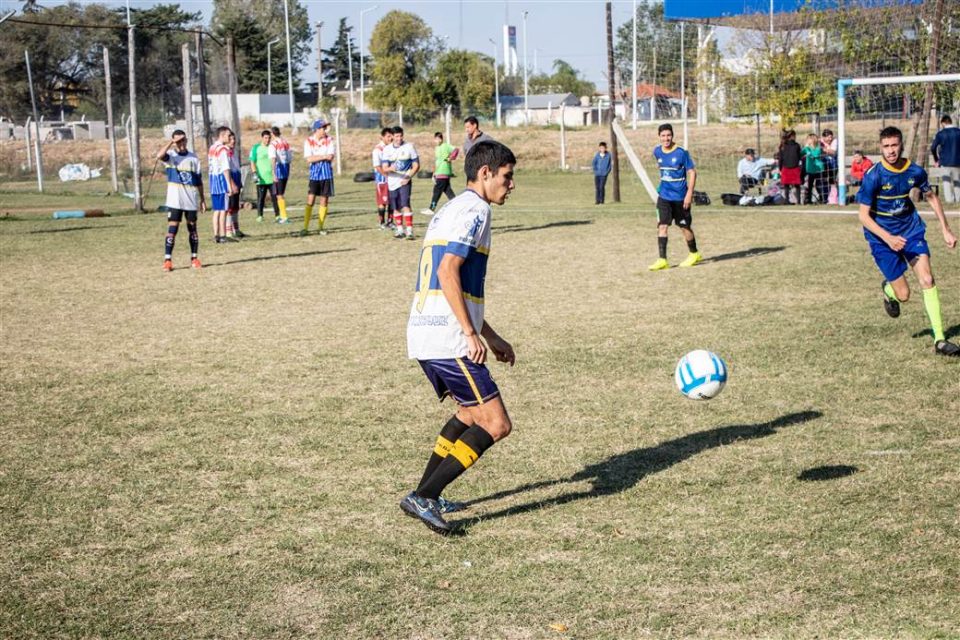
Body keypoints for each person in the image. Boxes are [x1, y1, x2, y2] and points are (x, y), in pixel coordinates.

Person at [401, 140, 518, 535]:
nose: (511, 185)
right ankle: (425, 497)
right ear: (485, 173)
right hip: (449, 338)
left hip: (425, 331)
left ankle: (426, 493)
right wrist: (470, 333)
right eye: (507, 176)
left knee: (469, 414)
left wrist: (492, 335)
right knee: (496, 423)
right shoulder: (476, 210)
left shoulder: (450, 209)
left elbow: (455, 285)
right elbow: (448, 272)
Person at [856, 126, 959, 357]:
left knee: (927, 279)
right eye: (886, 147)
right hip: (881, 238)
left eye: (894, 145)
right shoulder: (874, 175)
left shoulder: (914, 171)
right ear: (880, 148)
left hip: (911, 231)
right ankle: (889, 291)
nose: (891, 151)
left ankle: (940, 340)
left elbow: (931, 197)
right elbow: (863, 216)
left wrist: (946, 229)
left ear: (901, 145)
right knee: (904, 295)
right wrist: (889, 238)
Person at [648, 123, 702, 271]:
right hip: (664, 197)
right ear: (659, 137)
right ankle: (662, 259)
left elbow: (692, 172)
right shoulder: (657, 151)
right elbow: (662, 169)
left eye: (668, 135)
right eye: (663, 136)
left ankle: (694, 253)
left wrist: (689, 193)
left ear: (672, 136)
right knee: (662, 226)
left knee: (684, 227)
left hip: (680, 198)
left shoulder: (681, 153)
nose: (666, 138)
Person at [158, 129, 205, 271]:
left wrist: (202, 199)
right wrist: (171, 142)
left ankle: (194, 258)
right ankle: (167, 260)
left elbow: (199, 181)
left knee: (192, 229)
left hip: (190, 199)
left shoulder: (194, 158)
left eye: (183, 140)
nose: (181, 144)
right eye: (178, 141)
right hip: (175, 200)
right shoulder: (171, 156)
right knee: (173, 228)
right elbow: (159, 155)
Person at [381, 125, 420, 240]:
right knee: (396, 207)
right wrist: (390, 169)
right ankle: (399, 230)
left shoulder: (409, 147)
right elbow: (384, 167)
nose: (399, 138)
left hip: (404, 180)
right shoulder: (387, 150)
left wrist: (408, 177)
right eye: (397, 136)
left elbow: (416, 165)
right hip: (392, 182)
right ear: (392, 136)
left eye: (401, 136)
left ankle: (409, 231)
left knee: (405, 204)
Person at [301, 118, 336, 236]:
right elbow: (309, 159)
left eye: (325, 127)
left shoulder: (329, 140)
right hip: (314, 174)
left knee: (324, 200)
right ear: (317, 129)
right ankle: (305, 227)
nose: (325, 130)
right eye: (323, 128)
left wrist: (319, 156)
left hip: (326, 174)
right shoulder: (308, 141)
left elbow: (330, 156)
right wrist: (323, 156)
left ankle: (320, 227)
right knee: (310, 199)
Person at [207, 126, 237, 244]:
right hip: (221, 180)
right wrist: (229, 185)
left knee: (217, 210)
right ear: (222, 135)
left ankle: (216, 235)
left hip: (213, 181)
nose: (230, 138)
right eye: (228, 135)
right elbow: (225, 168)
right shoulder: (223, 149)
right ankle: (223, 236)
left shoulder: (212, 147)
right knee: (223, 210)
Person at [420, 132, 458, 215]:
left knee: (436, 191)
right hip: (439, 172)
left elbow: (456, 150)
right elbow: (438, 161)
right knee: (448, 191)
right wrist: (434, 172)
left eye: (439, 138)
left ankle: (432, 208)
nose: (438, 140)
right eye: (436, 138)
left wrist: (450, 158)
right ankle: (457, 206)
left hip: (444, 172)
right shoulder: (437, 148)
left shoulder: (446, 146)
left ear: (442, 139)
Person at [250, 130, 280, 223]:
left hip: (271, 177)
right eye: (266, 138)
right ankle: (260, 215)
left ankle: (277, 215)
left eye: (269, 138)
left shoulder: (272, 147)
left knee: (274, 197)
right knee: (261, 198)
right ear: (262, 138)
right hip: (261, 178)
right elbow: (252, 162)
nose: (267, 140)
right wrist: (255, 173)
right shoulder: (256, 148)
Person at [930, 115, 960, 204]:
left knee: (946, 182)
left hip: (945, 162)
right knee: (957, 182)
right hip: (958, 161)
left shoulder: (941, 134)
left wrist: (936, 159)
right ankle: (958, 200)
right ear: (951, 121)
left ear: (943, 123)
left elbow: (933, 147)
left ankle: (949, 200)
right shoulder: (959, 132)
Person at [269, 126, 292, 223]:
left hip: (278, 169)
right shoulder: (286, 143)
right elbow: (290, 158)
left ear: (272, 134)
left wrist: (273, 173)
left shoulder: (273, 144)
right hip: (286, 168)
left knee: (279, 194)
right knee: (281, 193)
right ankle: (283, 216)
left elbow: (273, 159)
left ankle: (284, 217)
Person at [224, 131, 244, 240]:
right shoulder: (225, 152)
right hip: (230, 181)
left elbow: (236, 167)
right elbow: (226, 170)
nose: (233, 141)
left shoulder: (234, 152)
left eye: (234, 139)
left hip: (237, 178)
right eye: (230, 139)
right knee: (230, 207)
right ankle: (228, 231)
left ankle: (236, 229)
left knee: (236, 207)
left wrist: (239, 181)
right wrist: (231, 183)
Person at [372, 127, 393, 229]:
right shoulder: (378, 150)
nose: (391, 138)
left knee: (392, 200)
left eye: (391, 136)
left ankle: (390, 222)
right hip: (382, 179)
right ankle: (381, 222)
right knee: (382, 201)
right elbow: (377, 166)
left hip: (392, 178)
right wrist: (385, 175)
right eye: (388, 136)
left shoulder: (391, 148)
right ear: (382, 137)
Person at [777, 129, 803, 205]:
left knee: (786, 186)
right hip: (795, 167)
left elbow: (780, 159)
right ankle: (798, 201)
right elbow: (799, 157)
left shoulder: (782, 145)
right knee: (797, 185)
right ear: (793, 136)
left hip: (785, 167)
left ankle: (787, 200)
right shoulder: (797, 145)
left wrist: (780, 169)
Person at [801, 133, 826, 204]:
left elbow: (816, 155)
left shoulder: (818, 148)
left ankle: (822, 199)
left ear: (812, 140)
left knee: (819, 185)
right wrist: (805, 150)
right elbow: (800, 154)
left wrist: (809, 152)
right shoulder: (806, 148)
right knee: (810, 185)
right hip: (810, 169)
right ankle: (809, 200)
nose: (807, 141)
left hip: (818, 169)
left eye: (808, 139)